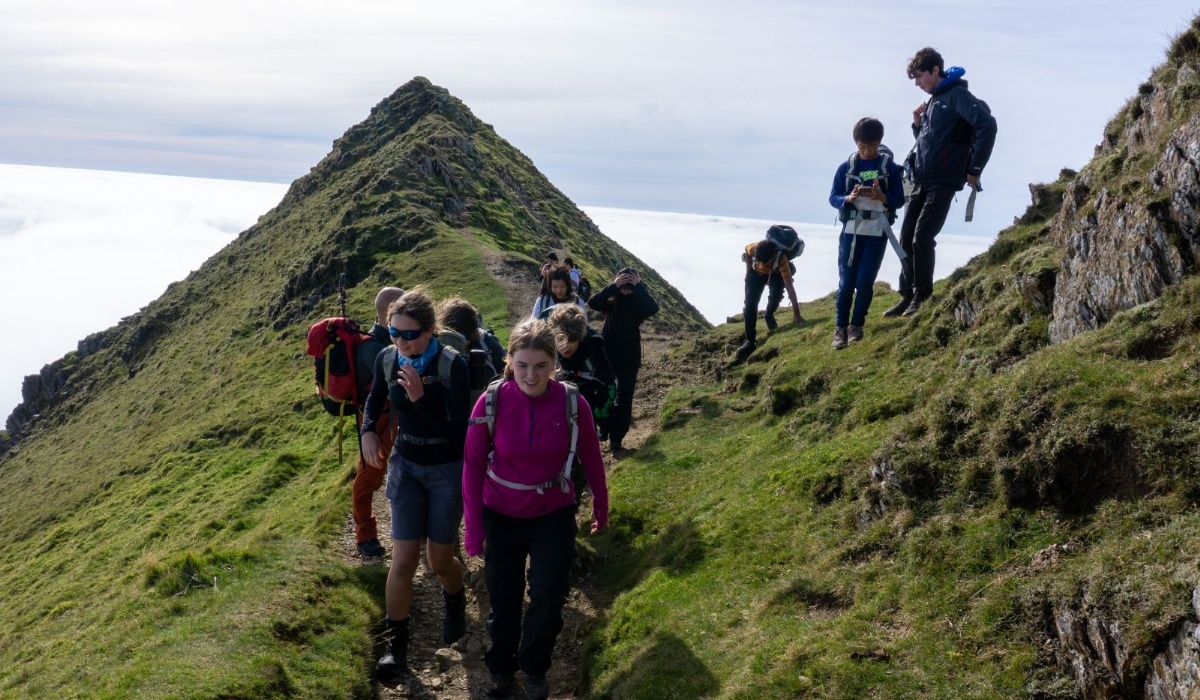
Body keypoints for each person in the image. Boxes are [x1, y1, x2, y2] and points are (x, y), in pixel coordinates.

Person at [462, 319, 608, 700]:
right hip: (502, 512)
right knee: (504, 595)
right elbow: (474, 466)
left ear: (554, 363)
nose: (531, 375)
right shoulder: (490, 402)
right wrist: (473, 528)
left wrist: (601, 506)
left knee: (549, 593)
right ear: (509, 360)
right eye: (523, 365)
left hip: (553, 511)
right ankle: (500, 668)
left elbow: (592, 456)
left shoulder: (573, 403)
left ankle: (535, 668)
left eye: (541, 366)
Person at [360, 287, 471, 684]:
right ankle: (397, 648)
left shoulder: (451, 365)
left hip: (445, 468)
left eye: (410, 334)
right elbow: (375, 399)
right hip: (406, 466)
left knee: (439, 561)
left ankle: (455, 601)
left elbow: (458, 432)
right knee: (404, 559)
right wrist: (368, 431)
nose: (401, 342)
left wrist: (421, 398)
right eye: (395, 332)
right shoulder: (388, 358)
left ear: (429, 331)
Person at [884, 47, 997, 318]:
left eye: (919, 76)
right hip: (921, 179)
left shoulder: (957, 95)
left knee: (922, 237)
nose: (917, 83)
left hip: (944, 180)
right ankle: (907, 294)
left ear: (935, 70)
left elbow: (987, 126)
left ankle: (922, 295)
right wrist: (917, 125)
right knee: (906, 238)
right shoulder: (935, 99)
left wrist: (975, 168)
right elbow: (931, 141)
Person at [829, 118, 905, 349]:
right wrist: (849, 199)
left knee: (864, 281)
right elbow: (833, 198)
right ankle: (840, 329)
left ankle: (856, 327)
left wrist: (880, 197)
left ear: (879, 142)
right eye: (862, 146)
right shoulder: (846, 167)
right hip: (851, 232)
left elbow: (899, 200)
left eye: (871, 146)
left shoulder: (890, 168)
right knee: (846, 283)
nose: (867, 151)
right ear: (856, 143)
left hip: (876, 232)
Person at [352, 286, 405, 557]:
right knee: (370, 475)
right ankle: (365, 535)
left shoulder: (386, 341)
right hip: (379, 421)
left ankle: (411, 532)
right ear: (390, 310)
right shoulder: (373, 347)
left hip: (397, 417)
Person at [587, 267, 658, 452]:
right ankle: (604, 428)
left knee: (624, 398)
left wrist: (638, 286)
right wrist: (613, 286)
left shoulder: (639, 304)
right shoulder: (609, 301)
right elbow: (592, 302)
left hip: (629, 358)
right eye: (623, 286)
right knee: (605, 394)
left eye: (629, 286)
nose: (626, 290)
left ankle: (617, 437)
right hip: (607, 355)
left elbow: (653, 308)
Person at [546, 304, 615, 439]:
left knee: (587, 440)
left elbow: (608, 385)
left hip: (587, 403)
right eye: (560, 340)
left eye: (571, 340)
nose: (565, 346)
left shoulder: (595, 351)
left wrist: (599, 413)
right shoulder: (548, 354)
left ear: (580, 337)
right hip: (557, 407)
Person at [735, 232, 802, 360]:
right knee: (749, 306)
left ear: (773, 256)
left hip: (776, 274)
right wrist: (748, 272)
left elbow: (790, 287)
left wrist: (796, 314)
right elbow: (747, 252)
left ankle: (769, 313)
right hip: (755, 273)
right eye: (761, 262)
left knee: (775, 296)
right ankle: (750, 341)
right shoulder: (754, 247)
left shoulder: (782, 260)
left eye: (766, 262)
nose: (764, 265)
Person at [438, 296, 506, 383]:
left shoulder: (486, 342)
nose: (464, 341)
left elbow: (507, 371)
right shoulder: (439, 346)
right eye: (459, 336)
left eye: (467, 336)